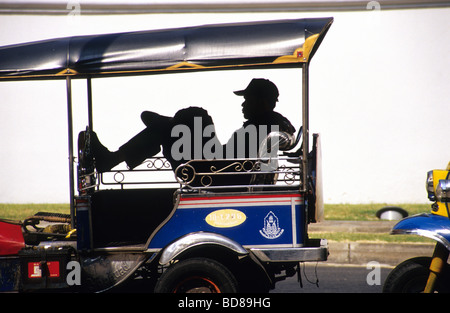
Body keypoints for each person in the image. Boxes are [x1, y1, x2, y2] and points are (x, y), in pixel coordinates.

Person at [89, 78, 295, 186]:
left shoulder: (267, 123)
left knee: (195, 115)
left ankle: (163, 127)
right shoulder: (268, 123)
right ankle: (164, 126)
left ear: (261, 102)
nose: (243, 104)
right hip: (217, 166)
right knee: (187, 119)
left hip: (213, 173)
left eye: (247, 99)